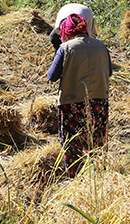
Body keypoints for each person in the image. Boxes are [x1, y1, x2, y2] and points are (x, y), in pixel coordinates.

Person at [47, 13, 112, 177]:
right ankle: (97, 176)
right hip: (99, 100)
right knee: (96, 140)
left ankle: (76, 179)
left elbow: (52, 76)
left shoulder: (66, 48)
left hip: (72, 102)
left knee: (72, 143)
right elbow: (109, 71)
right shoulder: (101, 46)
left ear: (67, 32)